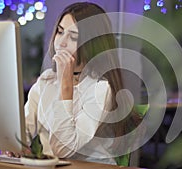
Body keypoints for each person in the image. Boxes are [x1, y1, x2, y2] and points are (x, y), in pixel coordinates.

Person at [23, 2, 142, 165]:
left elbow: (63, 149)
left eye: (73, 37)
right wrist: (14, 144)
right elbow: (23, 132)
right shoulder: (46, 81)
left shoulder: (100, 88)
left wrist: (65, 86)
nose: (61, 42)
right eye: (60, 32)